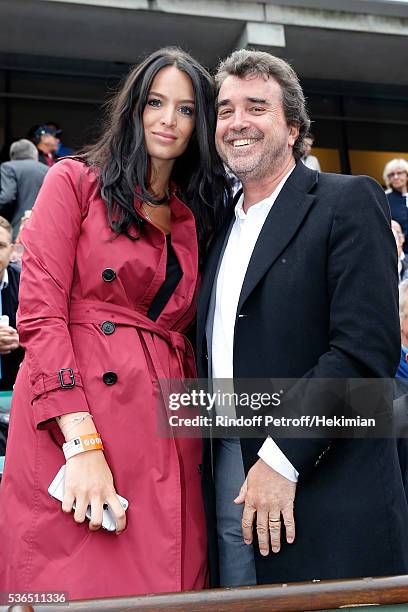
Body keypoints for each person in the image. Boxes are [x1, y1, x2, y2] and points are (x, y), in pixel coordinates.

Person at [0, 47, 228, 600]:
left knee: (173, 585)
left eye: (186, 108)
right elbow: (41, 314)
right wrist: (82, 445)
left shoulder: (194, 212)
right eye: (155, 102)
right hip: (78, 420)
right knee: (77, 585)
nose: (168, 120)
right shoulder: (74, 181)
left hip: (171, 431)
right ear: (133, 108)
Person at [196, 49, 408, 587]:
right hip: (225, 468)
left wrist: (282, 456)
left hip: (323, 483)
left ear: (292, 127)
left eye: (256, 107)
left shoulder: (347, 199)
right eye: (224, 110)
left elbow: (364, 355)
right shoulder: (216, 225)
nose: (237, 122)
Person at [0, 139, 48, 240]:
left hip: (17, 229)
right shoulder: (48, 169)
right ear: (35, 155)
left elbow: (7, 197)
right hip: (43, 230)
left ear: (12, 155)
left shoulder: (8, 167)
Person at [384, 159, 408, 251]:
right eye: (391, 174)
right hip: (399, 252)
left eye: (399, 173)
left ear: (407, 175)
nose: (395, 177)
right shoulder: (385, 198)